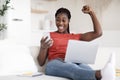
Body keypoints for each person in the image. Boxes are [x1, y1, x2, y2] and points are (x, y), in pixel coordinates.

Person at [37, 5, 115, 80]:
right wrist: (43, 48)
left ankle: (105, 75)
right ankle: (101, 74)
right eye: (58, 20)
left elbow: (98, 33)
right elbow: (41, 62)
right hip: (54, 64)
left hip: (75, 62)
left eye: (64, 20)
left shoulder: (76, 37)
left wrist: (91, 13)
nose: (60, 23)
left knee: (86, 68)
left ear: (69, 21)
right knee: (72, 67)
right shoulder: (49, 35)